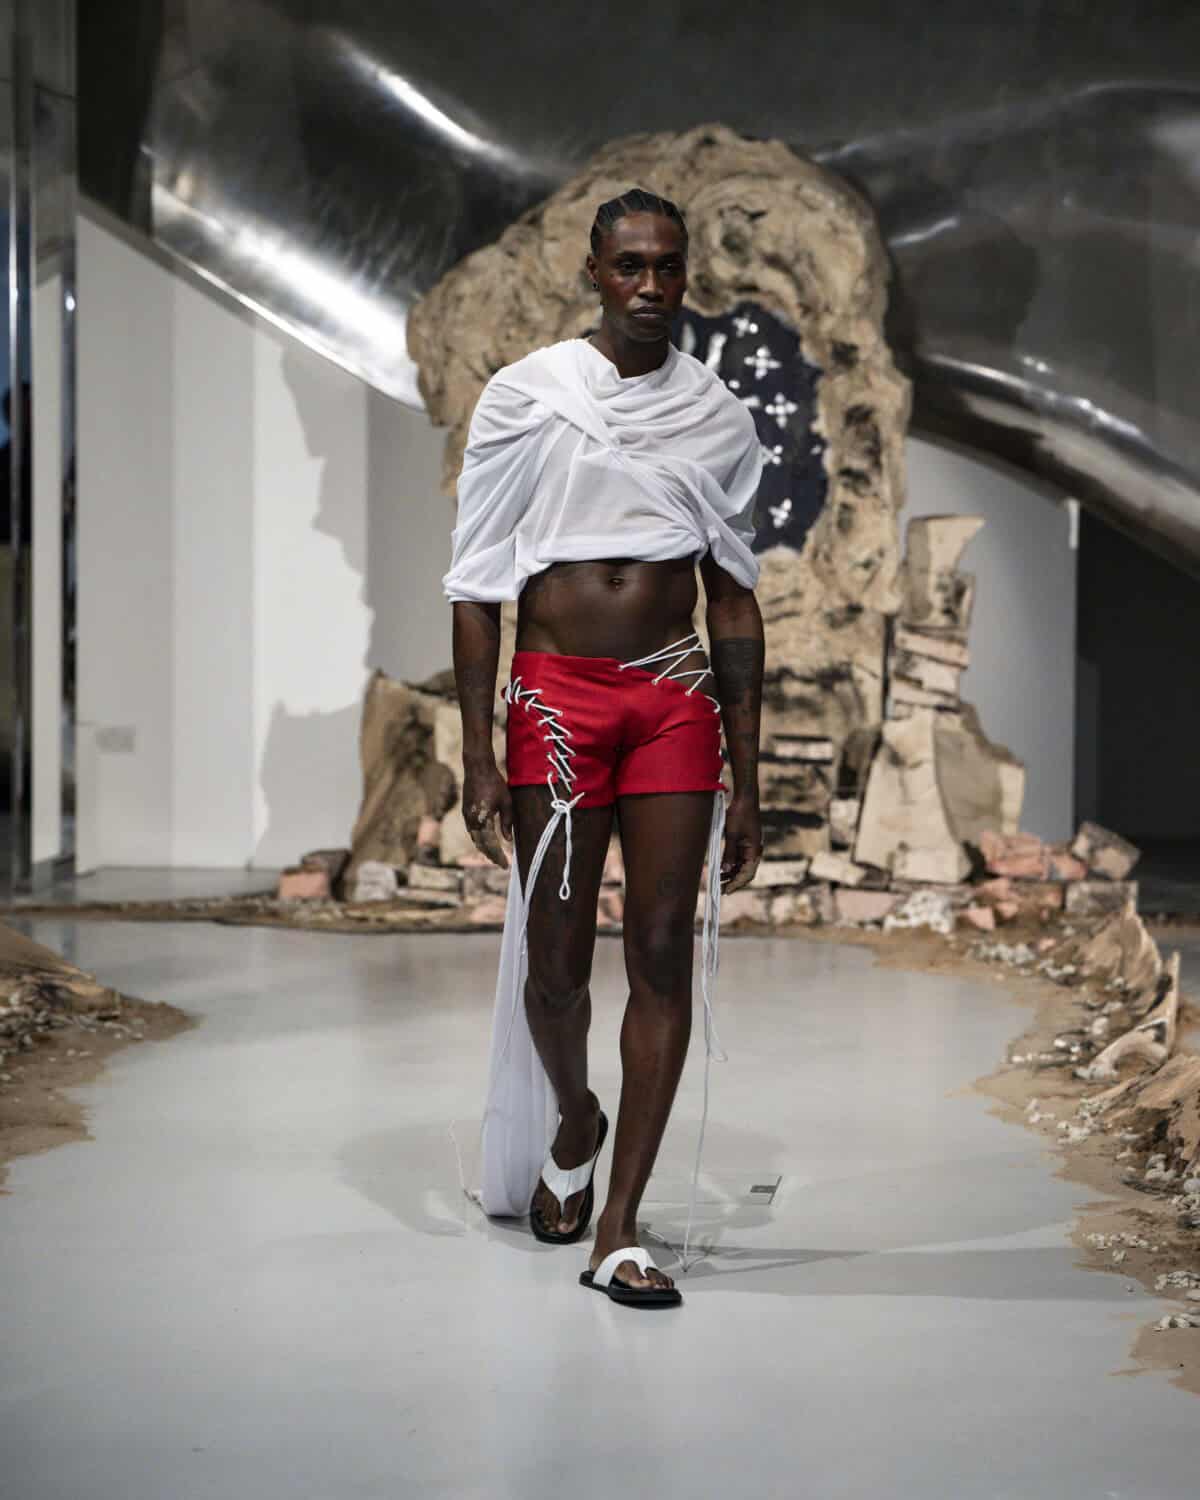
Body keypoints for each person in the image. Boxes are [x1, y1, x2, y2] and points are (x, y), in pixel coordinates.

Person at [444, 188, 765, 1308]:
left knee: (663, 952)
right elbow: (477, 584)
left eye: (668, 266)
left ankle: (619, 1228)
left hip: (674, 693)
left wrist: (749, 777)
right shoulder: (529, 396)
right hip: (557, 698)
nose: (650, 285)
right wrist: (477, 751)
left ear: (687, 277)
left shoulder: (717, 416)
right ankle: (575, 1118)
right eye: (630, 265)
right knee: (558, 966)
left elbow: (733, 596)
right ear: (593, 272)